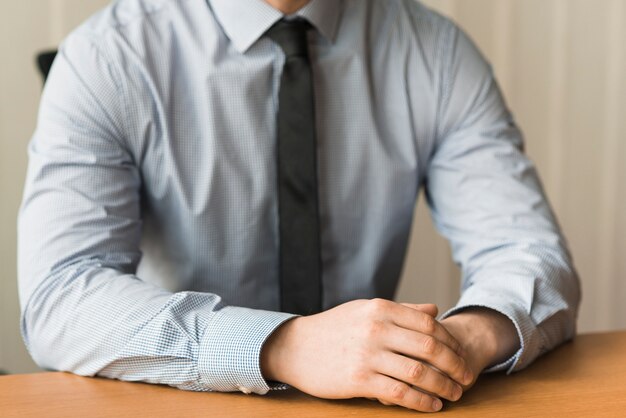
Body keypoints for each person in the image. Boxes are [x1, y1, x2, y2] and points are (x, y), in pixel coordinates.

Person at [18, 0, 580, 413]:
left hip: (373, 404)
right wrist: (280, 346)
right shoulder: (106, 58)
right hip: (174, 401)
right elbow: (62, 294)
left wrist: (460, 343)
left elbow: (526, 252)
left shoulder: (436, 53)